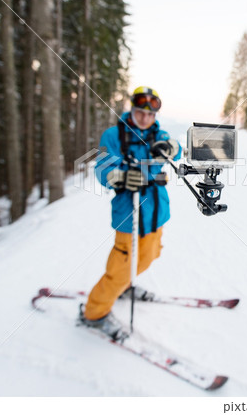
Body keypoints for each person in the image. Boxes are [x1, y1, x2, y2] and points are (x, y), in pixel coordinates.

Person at [79, 86, 181, 339]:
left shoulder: (159, 134)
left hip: (156, 211)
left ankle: (125, 286)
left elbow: (177, 149)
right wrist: (121, 176)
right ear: (133, 110)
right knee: (121, 266)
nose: (145, 118)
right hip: (130, 214)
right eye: (140, 112)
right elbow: (102, 168)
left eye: (150, 114)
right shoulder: (114, 135)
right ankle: (94, 313)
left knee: (149, 256)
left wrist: (171, 147)